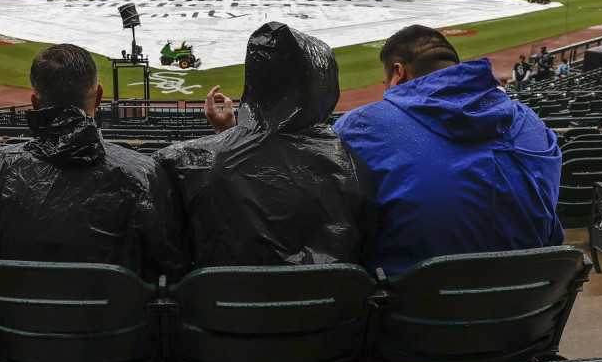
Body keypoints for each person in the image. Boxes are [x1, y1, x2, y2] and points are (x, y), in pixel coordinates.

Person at [333, 25, 563, 275]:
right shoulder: (531, 121)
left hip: (413, 308)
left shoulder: (360, 126)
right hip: (531, 301)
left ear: (398, 73)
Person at [0, 44, 187, 281]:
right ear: (98, 96)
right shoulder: (143, 172)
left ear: (34, 103)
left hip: (12, 315)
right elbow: (168, 270)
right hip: (114, 315)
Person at [155, 22, 375, 267]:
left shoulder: (184, 162)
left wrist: (225, 137)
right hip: (325, 300)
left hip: (223, 301)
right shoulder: (351, 165)